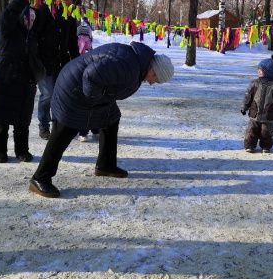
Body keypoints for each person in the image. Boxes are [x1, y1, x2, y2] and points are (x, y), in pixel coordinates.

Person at [28, 41, 175, 198]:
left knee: (111, 118)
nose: (152, 83)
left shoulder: (137, 63)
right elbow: (90, 75)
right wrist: (93, 100)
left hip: (85, 88)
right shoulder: (129, 66)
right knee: (64, 131)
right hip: (74, 90)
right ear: (154, 69)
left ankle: (106, 165)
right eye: (156, 79)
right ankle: (40, 178)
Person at [0, 0, 45, 163]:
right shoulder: (7, 31)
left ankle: (22, 150)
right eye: (27, 18)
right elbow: (7, 16)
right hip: (5, 77)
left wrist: (40, 8)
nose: (30, 22)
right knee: (1, 118)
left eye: (32, 19)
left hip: (25, 79)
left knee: (22, 119)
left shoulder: (31, 35)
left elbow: (41, 28)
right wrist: (21, 0)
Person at [34, 0, 80, 140]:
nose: (68, 1)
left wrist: (77, 61)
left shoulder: (70, 16)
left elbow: (73, 41)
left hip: (62, 62)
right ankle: (43, 126)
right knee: (48, 94)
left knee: (60, 95)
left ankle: (57, 125)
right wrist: (34, 57)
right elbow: (35, 36)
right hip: (44, 62)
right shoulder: (45, 11)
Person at [241, 53, 273, 153]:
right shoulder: (255, 83)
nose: (258, 71)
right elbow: (248, 96)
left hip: (269, 115)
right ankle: (249, 145)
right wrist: (244, 107)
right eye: (258, 69)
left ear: (268, 72)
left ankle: (266, 147)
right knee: (251, 130)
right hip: (255, 113)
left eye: (260, 70)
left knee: (266, 132)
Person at [76, 18, 99, 142]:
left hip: (85, 75)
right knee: (88, 104)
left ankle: (88, 130)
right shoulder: (85, 45)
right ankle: (88, 130)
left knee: (87, 104)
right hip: (84, 76)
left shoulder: (86, 46)